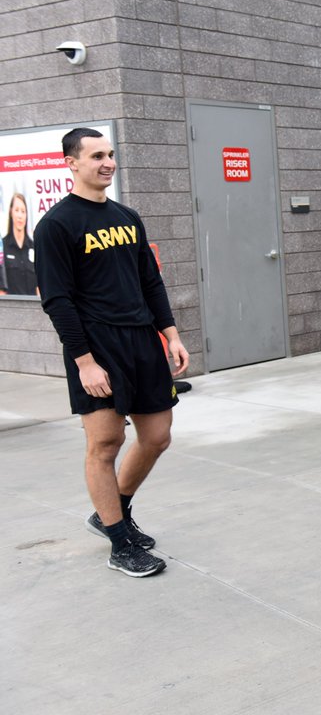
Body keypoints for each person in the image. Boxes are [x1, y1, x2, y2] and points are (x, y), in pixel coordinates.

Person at [37, 128, 189, 578]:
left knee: (157, 436)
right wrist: (84, 361)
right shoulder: (57, 225)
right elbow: (58, 300)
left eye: (110, 154)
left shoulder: (127, 216)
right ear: (72, 163)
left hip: (143, 340)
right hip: (97, 347)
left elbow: (150, 281)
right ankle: (120, 543)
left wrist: (171, 334)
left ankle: (112, 513)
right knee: (105, 443)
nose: (107, 162)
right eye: (97, 156)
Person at [3, 192, 38, 295]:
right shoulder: (3, 247)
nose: (20, 216)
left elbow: (39, 288)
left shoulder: (34, 247)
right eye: (17, 210)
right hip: (11, 309)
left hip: (32, 309)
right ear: (11, 212)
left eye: (23, 211)